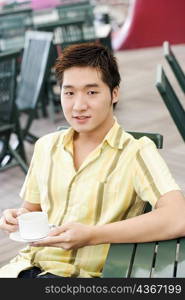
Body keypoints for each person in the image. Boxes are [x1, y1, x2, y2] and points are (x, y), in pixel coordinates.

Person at [0, 42, 185, 278]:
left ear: (114, 93)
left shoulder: (136, 152)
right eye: (69, 92)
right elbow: (31, 209)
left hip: (87, 276)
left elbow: (178, 217)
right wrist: (16, 218)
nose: (78, 106)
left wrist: (92, 235)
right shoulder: (45, 147)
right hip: (26, 267)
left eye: (91, 92)